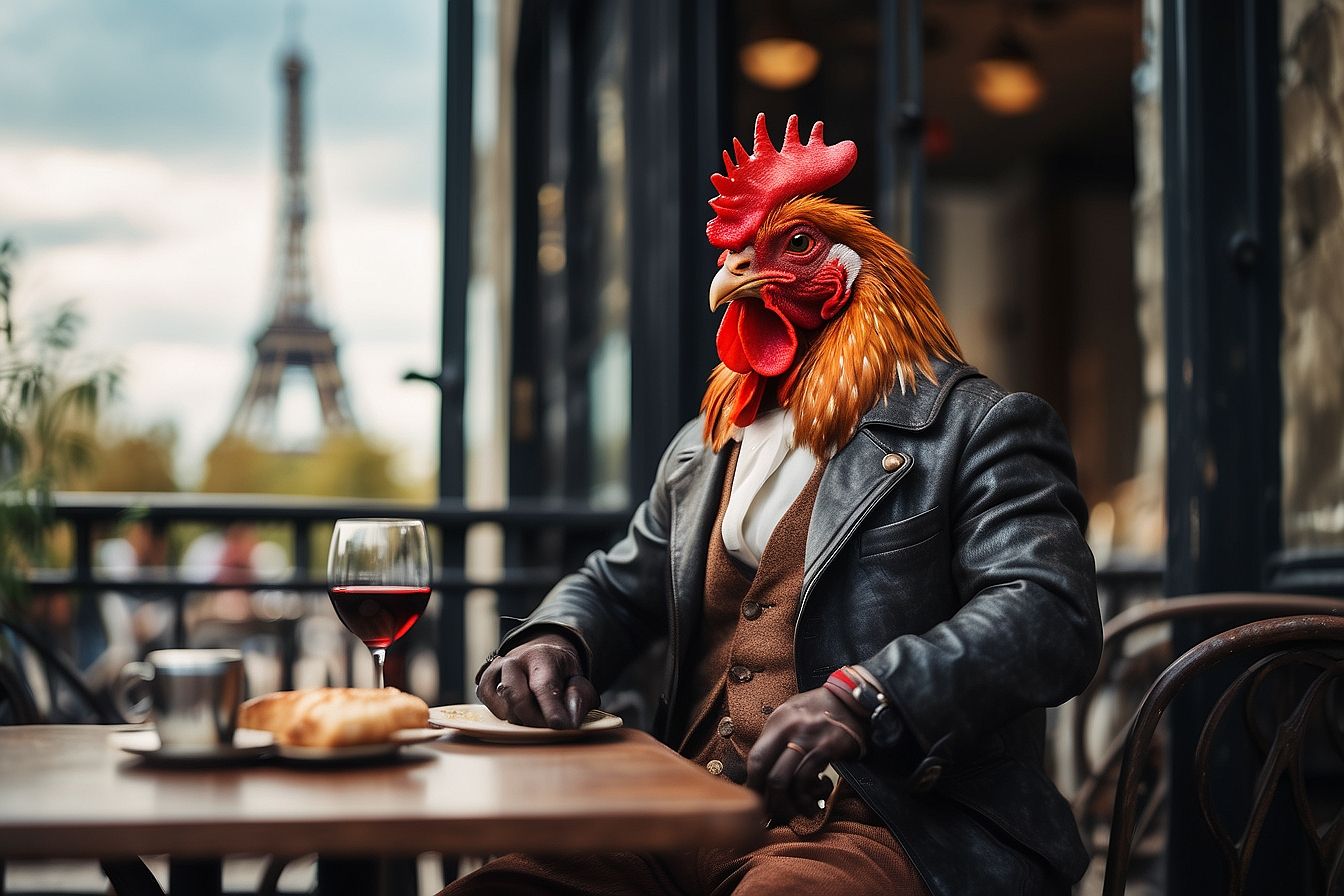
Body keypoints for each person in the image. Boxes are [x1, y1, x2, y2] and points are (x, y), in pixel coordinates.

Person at [447, 115, 1100, 896]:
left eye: (791, 248)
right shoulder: (705, 444)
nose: (737, 270)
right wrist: (558, 638)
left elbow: (1047, 611)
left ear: (856, 273)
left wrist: (871, 696)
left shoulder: (980, 426)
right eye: (739, 256)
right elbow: (618, 585)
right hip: (679, 812)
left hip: (885, 820)